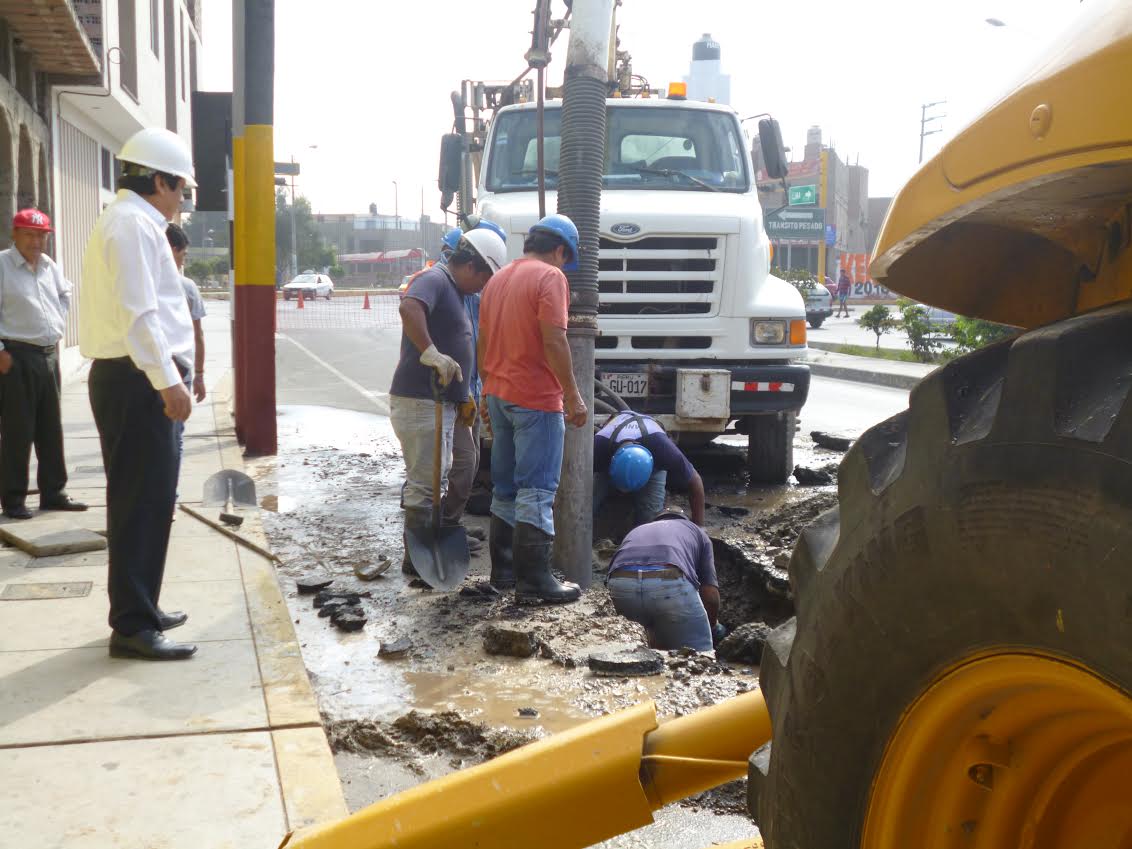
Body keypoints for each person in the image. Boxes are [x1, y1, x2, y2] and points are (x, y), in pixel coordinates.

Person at [80, 127, 198, 661]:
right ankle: (131, 623)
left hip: (139, 377)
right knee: (138, 502)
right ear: (158, 180)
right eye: (180, 190)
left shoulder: (135, 222)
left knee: (151, 502)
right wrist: (168, 383)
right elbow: (139, 316)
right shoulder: (132, 225)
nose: (181, 203)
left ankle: (142, 606)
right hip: (137, 381)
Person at [478, 214, 587, 604]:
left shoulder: (498, 279)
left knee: (505, 489)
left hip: (500, 395)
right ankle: (535, 579)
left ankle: (503, 572)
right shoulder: (551, 278)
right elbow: (555, 341)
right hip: (536, 399)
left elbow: (483, 340)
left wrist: (485, 390)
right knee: (537, 490)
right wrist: (573, 396)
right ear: (560, 250)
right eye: (564, 258)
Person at [391, 228, 507, 580]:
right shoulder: (435, 278)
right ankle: (418, 555)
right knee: (426, 481)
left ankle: (439, 535)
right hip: (421, 400)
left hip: (447, 402)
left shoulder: (456, 291)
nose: (484, 287)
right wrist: (431, 353)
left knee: (459, 465)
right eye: (484, 278)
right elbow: (409, 306)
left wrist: (465, 394)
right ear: (471, 264)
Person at [0, 209, 87, 519]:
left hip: (48, 355)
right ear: (15, 234)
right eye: (30, 234)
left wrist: (56, 320)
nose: (36, 241)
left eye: (41, 236)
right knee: (17, 430)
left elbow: (65, 293)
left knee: (50, 427)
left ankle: (54, 492)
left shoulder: (48, 265)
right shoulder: (2, 266)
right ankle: (13, 499)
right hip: (15, 357)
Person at [606, 512, 720, 651]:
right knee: (699, 659)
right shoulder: (695, 530)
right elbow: (711, 596)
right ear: (684, 520)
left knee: (627, 656)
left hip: (621, 582)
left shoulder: (637, 530)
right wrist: (712, 626)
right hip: (669, 580)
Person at [593, 410, 706, 527]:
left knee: (649, 522)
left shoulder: (663, 449)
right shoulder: (598, 448)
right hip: (609, 453)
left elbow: (695, 481)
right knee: (583, 505)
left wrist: (700, 528)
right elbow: (574, 477)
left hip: (651, 452)